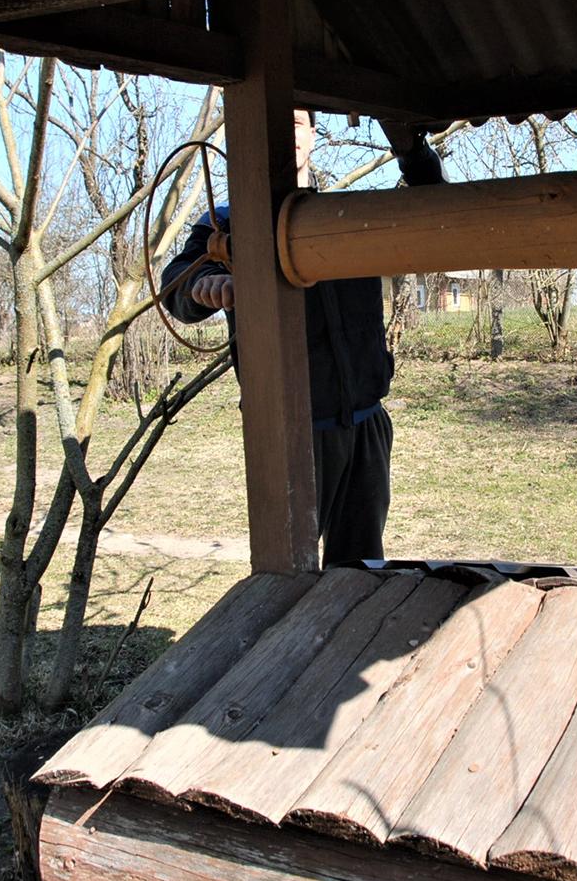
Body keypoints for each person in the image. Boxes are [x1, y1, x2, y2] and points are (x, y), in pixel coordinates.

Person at [161, 110, 443, 567]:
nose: (285, 135)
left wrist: (413, 153)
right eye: (275, 121)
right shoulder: (228, 224)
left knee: (359, 572)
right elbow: (176, 284)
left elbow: (436, 217)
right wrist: (206, 283)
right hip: (288, 432)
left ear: (313, 134)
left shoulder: (351, 217)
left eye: (294, 123)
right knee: (286, 574)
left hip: (365, 426)